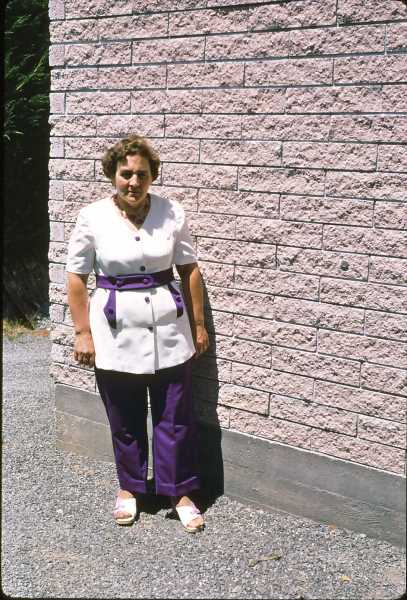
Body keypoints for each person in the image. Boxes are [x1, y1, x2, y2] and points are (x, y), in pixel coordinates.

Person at [66, 134, 210, 533]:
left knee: (175, 417)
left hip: (169, 332)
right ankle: (130, 487)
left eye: (142, 174)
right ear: (112, 174)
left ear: (152, 176)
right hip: (115, 333)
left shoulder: (171, 212)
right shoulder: (92, 217)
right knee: (124, 416)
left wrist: (198, 324)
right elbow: (76, 277)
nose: (133, 182)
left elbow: (190, 270)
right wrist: (82, 332)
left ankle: (179, 492)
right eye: (126, 173)